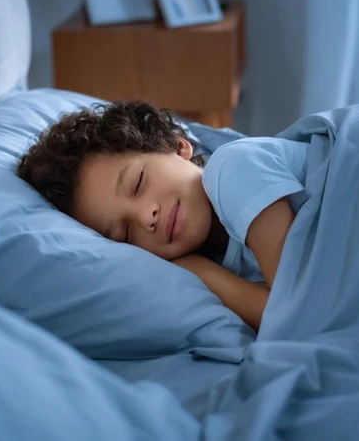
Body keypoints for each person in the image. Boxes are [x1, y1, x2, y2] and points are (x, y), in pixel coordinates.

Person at [17, 101, 308, 330]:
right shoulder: (217, 263)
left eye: (138, 183)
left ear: (176, 145)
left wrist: (203, 273)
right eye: (125, 234)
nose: (147, 217)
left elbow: (298, 312)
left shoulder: (232, 168)